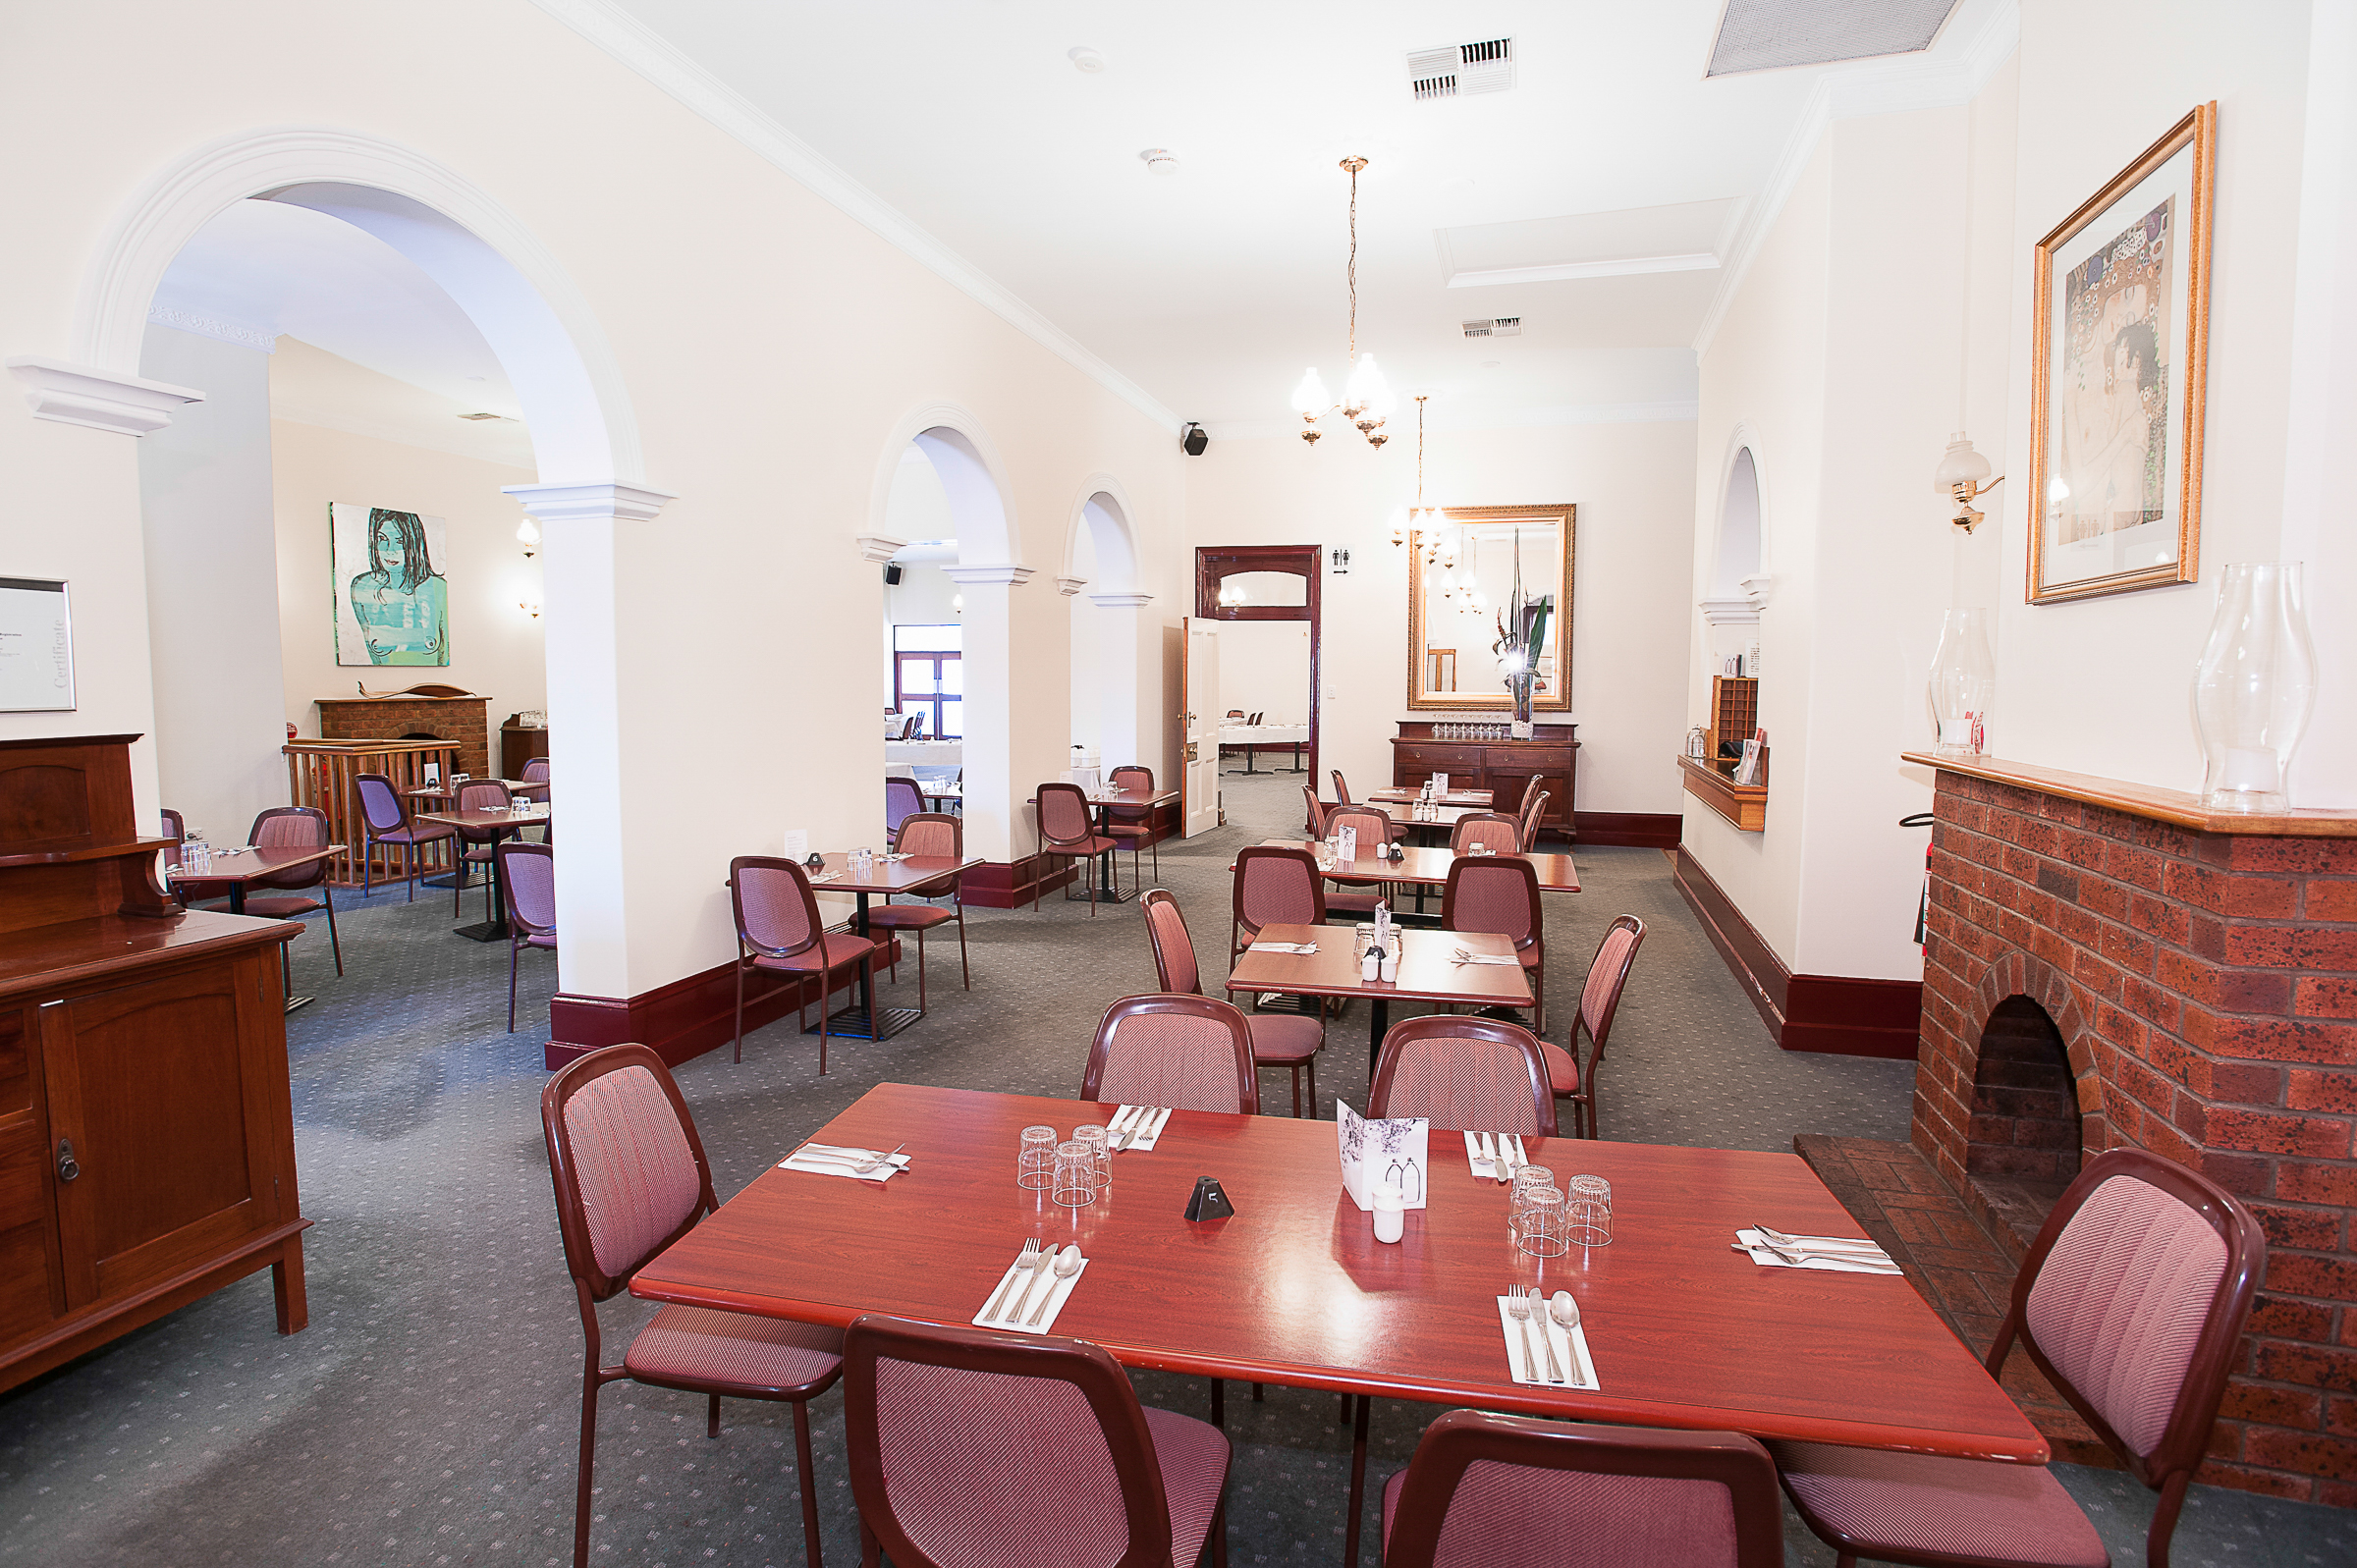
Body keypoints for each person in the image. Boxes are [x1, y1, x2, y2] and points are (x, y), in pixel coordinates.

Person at [348, 508, 449, 665]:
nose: (390, 550)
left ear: (414, 544)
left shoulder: (437, 587)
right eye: (382, 539)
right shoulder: (362, 587)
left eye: (400, 541)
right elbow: (376, 661)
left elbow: (445, 655)